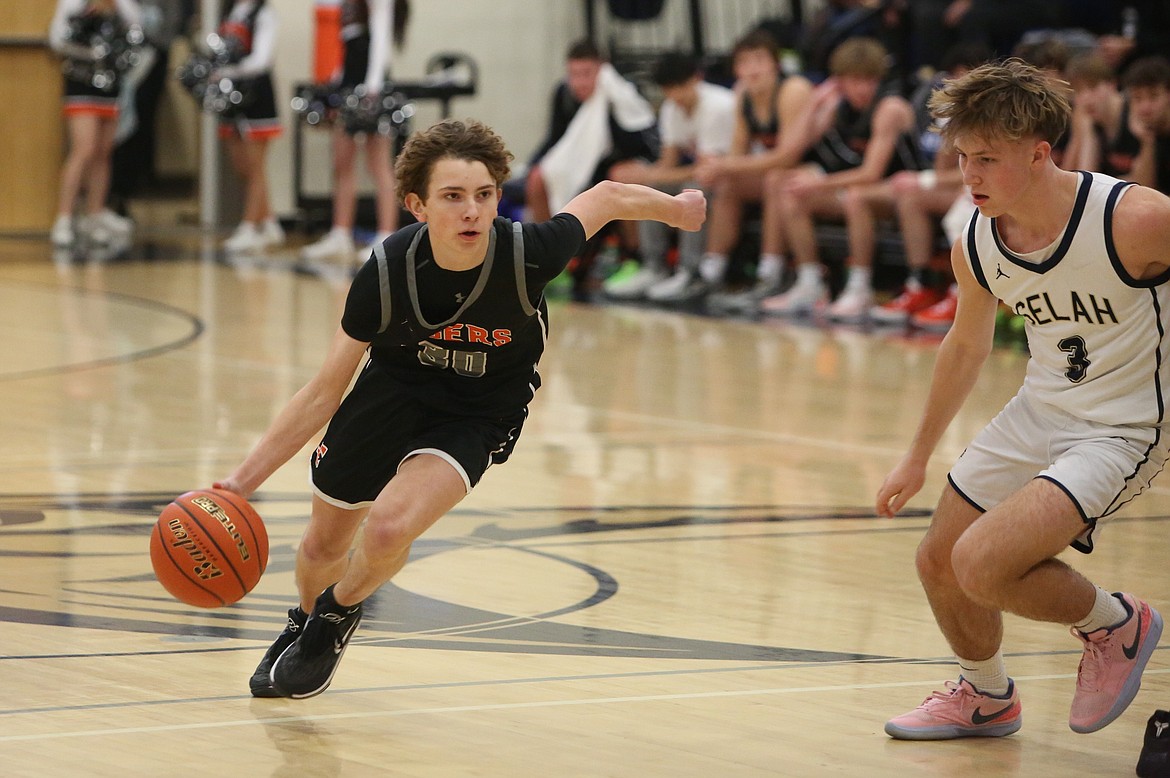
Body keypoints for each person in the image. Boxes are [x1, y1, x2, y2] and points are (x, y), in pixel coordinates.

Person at [213, 118, 705, 698]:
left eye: (485, 195)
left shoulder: (528, 253)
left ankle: (335, 616)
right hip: (391, 393)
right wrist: (239, 484)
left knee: (391, 524)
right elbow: (324, 390)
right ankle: (303, 619)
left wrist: (678, 208)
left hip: (480, 408)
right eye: (452, 197)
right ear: (417, 205)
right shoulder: (388, 272)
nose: (472, 211)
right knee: (323, 546)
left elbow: (608, 196)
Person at [876, 58, 1168, 741]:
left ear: (1039, 155)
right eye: (961, 157)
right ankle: (985, 697)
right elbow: (965, 346)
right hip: (1040, 411)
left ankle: (1116, 625)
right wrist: (916, 457)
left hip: (1122, 427)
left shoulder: (1136, 218)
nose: (969, 175)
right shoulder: (978, 240)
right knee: (939, 559)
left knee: (982, 563)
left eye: (987, 159)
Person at [761, 37, 922, 320]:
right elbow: (794, 149)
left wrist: (818, 183)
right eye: (854, 80)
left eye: (869, 80)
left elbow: (870, 174)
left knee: (855, 196)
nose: (863, 88)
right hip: (860, 191)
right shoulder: (837, 107)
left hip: (902, 190)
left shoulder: (890, 108)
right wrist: (812, 106)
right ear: (839, 81)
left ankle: (860, 287)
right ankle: (809, 281)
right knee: (789, 186)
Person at [836, 42, 989, 326]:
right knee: (910, 196)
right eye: (954, 78)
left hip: (988, 191)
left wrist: (925, 179)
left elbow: (980, 171)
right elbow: (950, 168)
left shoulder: (992, 116)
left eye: (966, 78)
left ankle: (964, 296)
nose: (958, 85)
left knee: (961, 203)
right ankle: (919, 285)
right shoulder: (952, 112)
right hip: (957, 187)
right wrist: (948, 132)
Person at [670, 29, 812, 308]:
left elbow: (788, 156)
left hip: (816, 169)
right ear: (736, 69)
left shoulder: (792, 90)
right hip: (779, 172)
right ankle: (712, 269)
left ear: (775, 64)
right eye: (745, 62)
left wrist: (726, 164)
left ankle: (771, 273)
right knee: (726, 183)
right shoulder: (742, 94)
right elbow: (736, 154)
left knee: (774, 179)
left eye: (759, 60)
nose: (752, 69)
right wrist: (720, 167)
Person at [601, 50, 735, 300]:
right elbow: (668, 163)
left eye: (680, 87)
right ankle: (653, 266)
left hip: (733, 178)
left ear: (696, 79)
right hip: (709, 175)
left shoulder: (718, 106)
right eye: (669, 89)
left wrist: (649, 175)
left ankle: (690, 271)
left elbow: (705, 169)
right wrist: (644, 176)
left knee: (694, 188)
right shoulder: (671, 108)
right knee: (650, 187)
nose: (675, 96)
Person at [523, 39, 658, 273]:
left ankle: (636, 258)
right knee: (537, 177)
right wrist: (530, 165)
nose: (579, 82)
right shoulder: (563, 95)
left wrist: (612, 106)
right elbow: (555, 140)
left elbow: (640, 144)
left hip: (617, 166)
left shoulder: (621, 94)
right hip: (583, 168)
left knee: (622, 177)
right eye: (574, 74)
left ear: (603, 70)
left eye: (587, 73)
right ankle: (550, 262)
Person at [301, 0, 409, 267]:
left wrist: (372, 88)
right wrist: (335, 84)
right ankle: (341, 233)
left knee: (378, 164)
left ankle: (386, 235)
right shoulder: (347, 5)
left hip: (372, 88)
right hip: (348, 86)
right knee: (341, 161)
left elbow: (381, 40)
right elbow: (348, 51)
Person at [49, 0, 143, 248]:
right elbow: (57, 38)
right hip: (80, 81)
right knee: (84, 149)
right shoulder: (73, 2)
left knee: (103, 151)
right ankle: (64, 217)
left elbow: (137, 23)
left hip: (110, 82)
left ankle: (94, 214)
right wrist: (89, 51)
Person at [214, 0, 284, 253]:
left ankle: (249, 228)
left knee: (255, 165)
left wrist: (228, 71)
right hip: (232, 98)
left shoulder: (264, 13)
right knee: (241, 164)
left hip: (256, 97)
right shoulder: (232, 10)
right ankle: (270, 223)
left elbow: (262, 60)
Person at [1117, 55, 1170, 195]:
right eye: (1138, 98)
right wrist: (1147, 141)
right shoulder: (1140, 130)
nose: (1145, 107)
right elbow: (1144, 191)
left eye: (1153, 96)